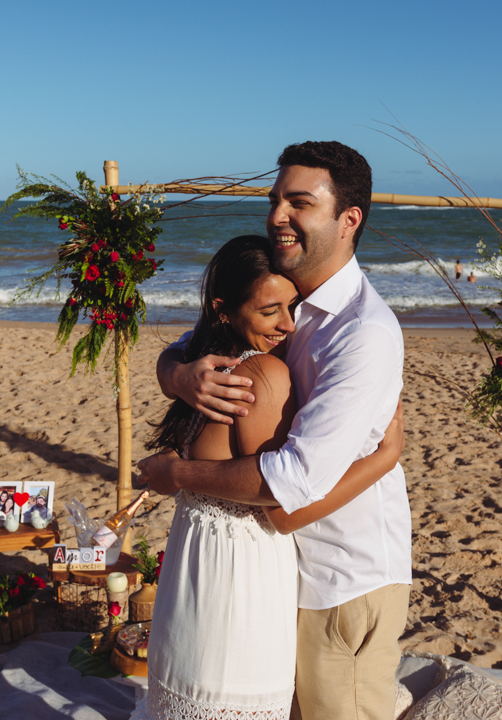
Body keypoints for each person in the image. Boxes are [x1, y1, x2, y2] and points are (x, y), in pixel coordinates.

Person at [142, 141, 412, 720]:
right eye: (274, 201)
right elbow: (192, 342)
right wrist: (179, 376)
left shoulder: (362, 333)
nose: (277, 217)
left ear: (349, 220)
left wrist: (175, 474)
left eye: (299, 203)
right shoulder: (289, 299)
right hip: (282, 570)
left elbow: (289, 490)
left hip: (344, 577)